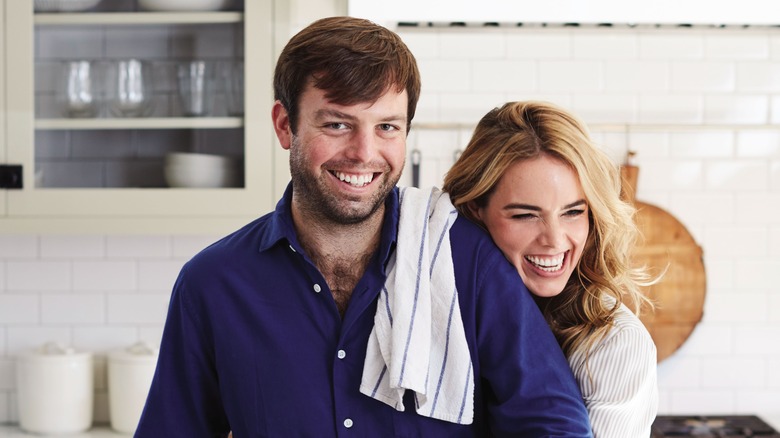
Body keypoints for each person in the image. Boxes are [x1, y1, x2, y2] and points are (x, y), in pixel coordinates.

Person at [135, 18, 592, 437]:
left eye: (388, 127)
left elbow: (554, 426)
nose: (364, 153)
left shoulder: (465, 261)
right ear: (284, 125)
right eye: (337, 124)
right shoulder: (212, 285)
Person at [442, 100, 659, 438]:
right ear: (475, 210)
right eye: (525, 215)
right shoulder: (439, 309)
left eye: (573, 212)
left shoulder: (614, 345)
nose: (555, 240)